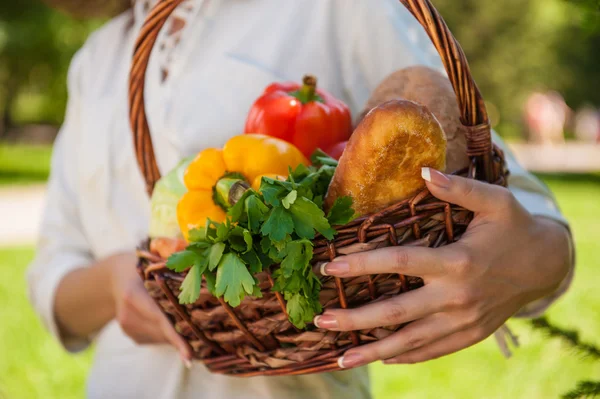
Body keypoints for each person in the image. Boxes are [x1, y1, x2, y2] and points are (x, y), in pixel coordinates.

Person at [28, 0, 574, 398]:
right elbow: (53, 269)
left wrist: (526, 264)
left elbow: (530, 220)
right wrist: (117, 282)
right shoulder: (94, 63)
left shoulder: (334, 8)